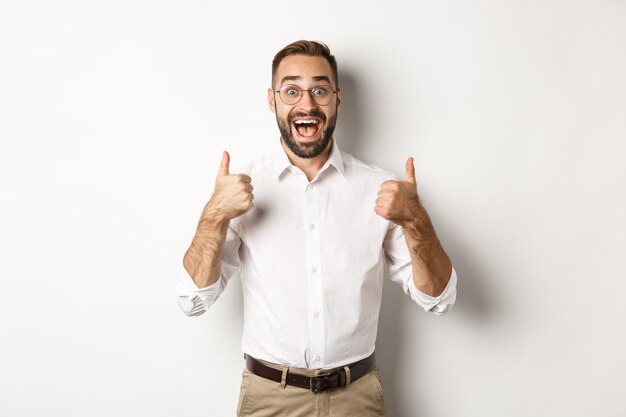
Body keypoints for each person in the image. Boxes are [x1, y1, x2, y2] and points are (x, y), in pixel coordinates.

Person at [175, 40, 457, 417]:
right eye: (291, 90)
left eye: (319, 90)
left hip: (356, 397)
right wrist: (214, 216)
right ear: (272, 100)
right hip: (269, 398)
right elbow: (192, 301)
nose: (306, 105)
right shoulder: (241, 189)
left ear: (337, 99)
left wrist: (416, 220)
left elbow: (438, 299)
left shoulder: (380, 188)